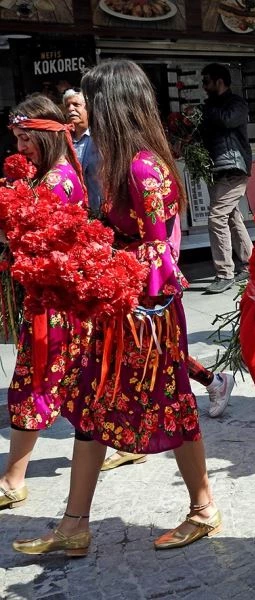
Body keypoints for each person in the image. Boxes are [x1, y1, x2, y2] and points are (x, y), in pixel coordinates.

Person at [13, 59, 221, 556]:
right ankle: (74, 524)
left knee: (169, 404)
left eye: (88, 101)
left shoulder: (142, 165)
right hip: (120, 309)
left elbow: (158, 253)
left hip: (143, 315)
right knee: (93, 404)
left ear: (113, 106)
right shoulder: (118, 159)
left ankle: (202, 506)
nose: (79, 113)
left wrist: (97, 270)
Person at [0, 94, 87, 510]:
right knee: (77, 382)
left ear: (46, 137)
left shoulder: (57, 181)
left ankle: (14, 478)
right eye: (16, 139)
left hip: (55, 305)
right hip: (49, 299)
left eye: (25, 138)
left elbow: (47, 247)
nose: (19, 149)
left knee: (31, 384)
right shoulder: (44, 176)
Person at [200, 63, 253, 294]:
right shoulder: (211, 107)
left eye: (207, 82)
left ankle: (224, 273)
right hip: (217, 169)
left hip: (234, 167)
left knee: (216, 217)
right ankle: (250, 262)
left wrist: (206, 110)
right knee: (231, 216)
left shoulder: (236, 103)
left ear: (219, 81)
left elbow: (227, 121)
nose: (204, 87)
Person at [63, 88, 102, 213]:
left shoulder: (101, 137)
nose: (70, 109)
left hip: (101, 209)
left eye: (76, 105)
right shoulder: (63, 140)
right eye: (67, 106)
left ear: (88, 109)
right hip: (76, 211)